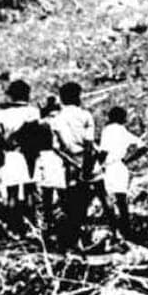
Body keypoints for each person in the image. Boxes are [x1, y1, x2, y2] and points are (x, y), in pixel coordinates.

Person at [51, 82, 97, 249]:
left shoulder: (56, 119)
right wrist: (85, 167)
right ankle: (81, 239)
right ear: (78, 96)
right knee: (83, 201)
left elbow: (56, 147)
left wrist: (69, 161)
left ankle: (68, 240)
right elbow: (89, 144)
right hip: (84, 162)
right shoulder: (85, 116)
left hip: (66, 164)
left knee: (67, 201)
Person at [0, 80, 40, 210]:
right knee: (30, 190)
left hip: (11, 154)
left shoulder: (3, 114)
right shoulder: (33, 112)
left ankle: (14, 223)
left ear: (11, 96)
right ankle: (31, 223)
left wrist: (3, 142)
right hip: (30, 154)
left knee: (12, 191)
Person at [98, 107, 147, 237]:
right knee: (121, 200)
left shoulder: (107, 130)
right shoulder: (124, 131)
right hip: (121, 166)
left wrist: (98, 164)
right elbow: (143, 147)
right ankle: (126, 230)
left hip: (109, 166)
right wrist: (128, 160)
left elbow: (104, 151)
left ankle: (114, 229)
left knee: (107, 199)